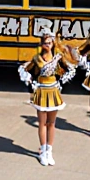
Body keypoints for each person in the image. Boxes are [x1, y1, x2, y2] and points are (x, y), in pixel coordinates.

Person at [18, 29, 78, 167]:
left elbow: (71, 69)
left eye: (50, 43)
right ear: (41, 44)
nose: (47, 45)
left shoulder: (58, 57)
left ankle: (49, 150)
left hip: (53, 91)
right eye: (45, 43)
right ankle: (43, 150)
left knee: (51, 123)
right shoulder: (36, 59)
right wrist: (32, 83)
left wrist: (61, 81)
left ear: (53, 43)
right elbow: (25, 71)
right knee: (42, 123)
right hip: (41, 92)